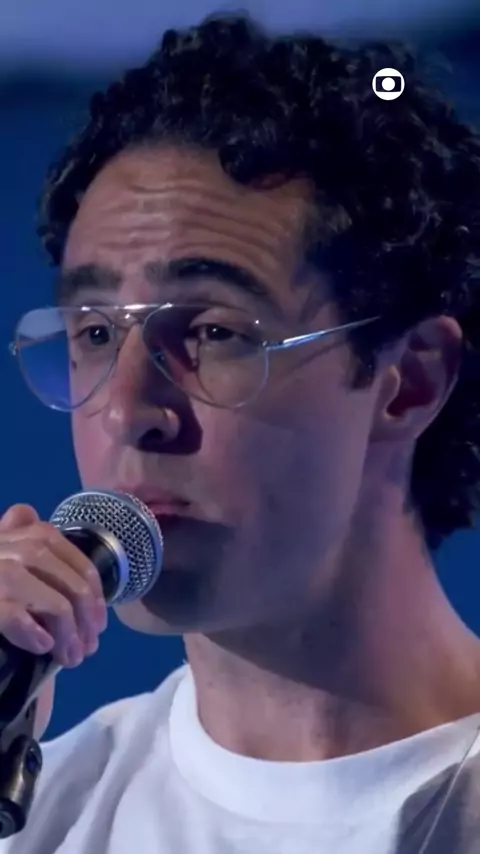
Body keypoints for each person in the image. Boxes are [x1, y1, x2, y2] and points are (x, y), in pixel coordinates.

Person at [1, 11, 480, 853]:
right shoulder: (44, 816)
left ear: (410, 382)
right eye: (95, 333)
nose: (126, 410)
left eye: (215, 332)